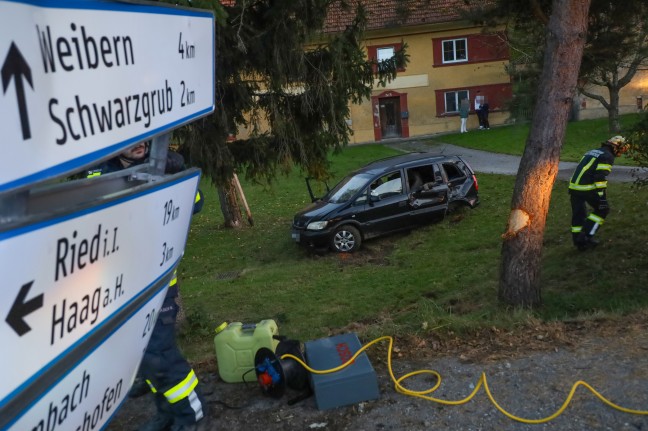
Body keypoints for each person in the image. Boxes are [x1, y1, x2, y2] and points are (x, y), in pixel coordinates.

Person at [86, 141, 208, 431]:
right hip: (121, 287)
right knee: (141, 356)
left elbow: (196, 203)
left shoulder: (163, 168)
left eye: (143, 137)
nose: (139, 143)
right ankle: (166, 413)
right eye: (130, 139)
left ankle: (192, 415)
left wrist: (173, 176)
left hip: (159, 286)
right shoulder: (101, 175)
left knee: (159, 353)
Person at [568, 135, 628, 251]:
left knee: (578, 214)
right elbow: (600, 178)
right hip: (587, 188)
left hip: (574, 187)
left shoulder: (592, 151)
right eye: (622, 149)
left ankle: (578, 242)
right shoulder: (607, 156)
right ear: (616, 147)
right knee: (603, 209)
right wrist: (602, 198)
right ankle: (586, 236)